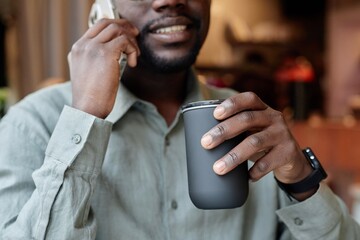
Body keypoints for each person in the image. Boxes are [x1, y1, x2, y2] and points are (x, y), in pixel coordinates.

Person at [0, 0, 359, 239]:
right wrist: (85, 117)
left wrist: (301, 182)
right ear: (104, 9)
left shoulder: (256, 125)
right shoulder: (31, 125)